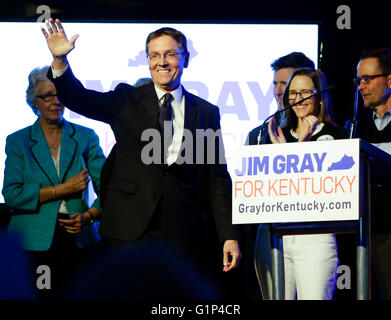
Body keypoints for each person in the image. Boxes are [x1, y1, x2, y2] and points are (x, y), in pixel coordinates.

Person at [40, 19, 241, 276]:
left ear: (185, 59)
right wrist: (59, 62)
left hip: (183, 230)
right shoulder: (126, 100)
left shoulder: (206, 113)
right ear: (148, 61)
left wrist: (229, 235)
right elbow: (79, 98)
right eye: (154, 56)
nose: (162, 62)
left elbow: (217, 178)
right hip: (129, 226)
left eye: (170, 54)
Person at [2, 66, 106, 299]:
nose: (55, 101)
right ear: (34, 101)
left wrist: (89, 216)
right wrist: (64, 189)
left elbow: (108, 190)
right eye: (47, 95)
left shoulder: (85, 136)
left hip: (79, 236)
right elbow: (11, 194)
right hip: (32, 240)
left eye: (59, 94)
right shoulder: (18, 141)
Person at [266, 68, 346, 299]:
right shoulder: (277, 134)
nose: (297, 99)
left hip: (315, 235)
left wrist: (302, 145)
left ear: (320, 96)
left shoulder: (337, 135)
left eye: (305, 92)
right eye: (292, 93)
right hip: (278, 234)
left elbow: (323, 189)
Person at [244, 52, 315, 300]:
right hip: (270, 231)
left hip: (313, 233)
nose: (278, 91)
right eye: (276, 83)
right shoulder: (260, 133)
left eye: (285, 85)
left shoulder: (326, 132)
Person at [350, 48, 391, 299]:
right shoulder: (355, 126)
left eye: (367, 79)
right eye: (358, 80)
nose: (361, 86)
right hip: (367, 228)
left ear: (389, 79)